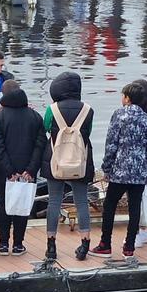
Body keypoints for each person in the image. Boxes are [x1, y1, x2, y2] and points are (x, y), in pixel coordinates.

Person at [93, 80, 147, 258]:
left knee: (109, 205)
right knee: (134, 208)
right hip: (139, 171)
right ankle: (129, 247)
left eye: (123, 96)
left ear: (128, 98)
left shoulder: (119, 115)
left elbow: (111, 144)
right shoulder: (145, 118)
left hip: (120, 171)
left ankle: (105, 243)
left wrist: (106, 167)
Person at [41, 72, 95, 261]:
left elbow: (46, 128)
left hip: (55, 159)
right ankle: (85, 243)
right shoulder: (88, 110)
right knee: (81, 202)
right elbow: (88, 132)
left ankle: (51, 245)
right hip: (80, 160)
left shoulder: (52, 109)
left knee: (54, 201)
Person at [0, 80, 45, 256]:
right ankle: (18, 244)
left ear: (3, 95)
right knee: (23, 204)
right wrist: (31, 169)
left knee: (4, 203)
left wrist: (9, 171)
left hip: (5, 171)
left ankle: (3, 243)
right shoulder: (35, 116)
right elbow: (40, 144)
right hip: (28, 170)